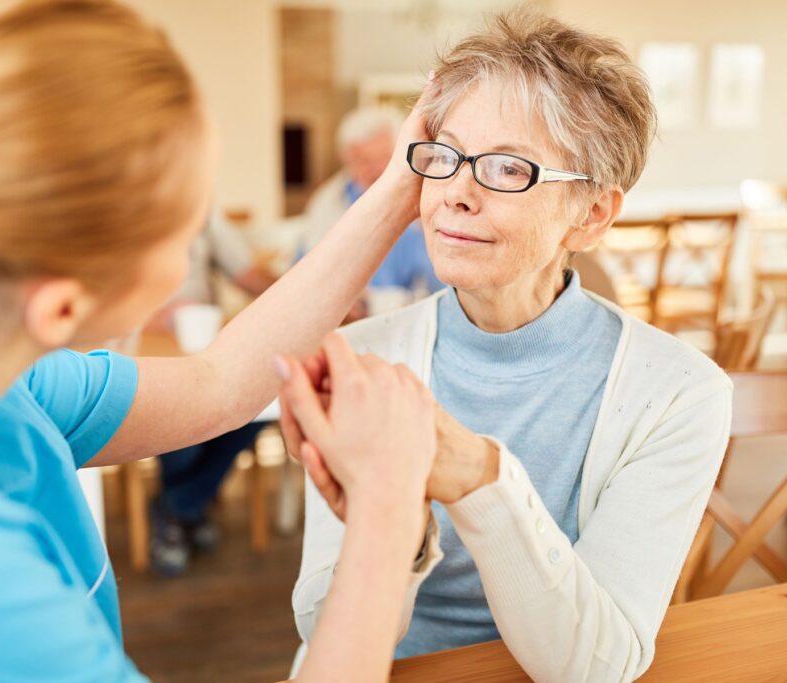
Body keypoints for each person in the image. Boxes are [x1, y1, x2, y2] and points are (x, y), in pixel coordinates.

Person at [0, 1, 439, 681]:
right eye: (183, 234)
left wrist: (400, 186)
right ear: (62, 305)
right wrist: (386, 508)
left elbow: (219, 383)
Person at [285, 10, 732, 683]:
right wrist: (397, 521)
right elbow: (324, 630)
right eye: (447, 157)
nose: (457, 194)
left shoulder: (678, 393)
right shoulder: (361, 358)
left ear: (592, 213)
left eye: (506, 168)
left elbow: (594, 664)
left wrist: (480, 477)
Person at [148, 211, 276, 577]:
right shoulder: (112, 210)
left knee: (257, 404)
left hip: (201, 349)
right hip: (141, 350)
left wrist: (315, 292)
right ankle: (187, 508)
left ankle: (178, 507)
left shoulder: (202, 217)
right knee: (178, 426)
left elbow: (249, 276)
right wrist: (147, 317)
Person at [296, 107, 445, 317]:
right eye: (363, 161)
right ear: (345, 160)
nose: (375, 170)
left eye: (384, 157)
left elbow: (443, 291)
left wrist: (376, 303)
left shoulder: (428, 197)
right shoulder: (328, 202)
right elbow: (303, 276)